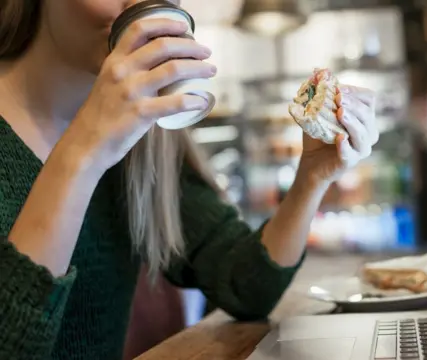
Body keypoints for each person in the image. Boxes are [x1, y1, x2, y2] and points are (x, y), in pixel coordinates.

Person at [0, 1, 379, 359]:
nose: (140, 6)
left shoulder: (144, 142)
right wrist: (82, 154)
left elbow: (246, 286)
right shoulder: (105, 136)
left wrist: (311, 178)